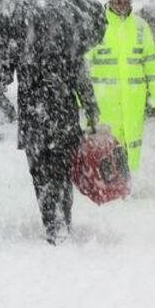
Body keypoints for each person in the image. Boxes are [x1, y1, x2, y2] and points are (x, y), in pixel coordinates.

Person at [14, 47, 99, 245]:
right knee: (58, 172)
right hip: (59, 118)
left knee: (43, 174)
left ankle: (52, 221)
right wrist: (90, 106)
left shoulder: (23, 39)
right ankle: (60, 219)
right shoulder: (67, 37)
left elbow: (4, 73)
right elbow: (81, 77)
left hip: (36, 119)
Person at [86, 0, 155, 171]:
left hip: (133, 99)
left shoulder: (140, 26)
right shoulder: (98, 25)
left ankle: (128, 177)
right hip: (105, 100)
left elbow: (152, 63)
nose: (122, 5)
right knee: (107, 140)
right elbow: (84, 64)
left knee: (132, 140)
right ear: (109, 1)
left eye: (125, 1)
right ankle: (106, 178)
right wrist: (81, 98)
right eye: (117, 1)